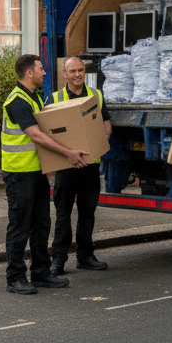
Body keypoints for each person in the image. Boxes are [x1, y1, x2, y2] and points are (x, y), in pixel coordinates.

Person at [1, 53, 89, 294]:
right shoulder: (17, 101)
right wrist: (68, 153)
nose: (43, 72)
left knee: (41, 224)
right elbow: (37, 135)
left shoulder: (33, 97)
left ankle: (41, 272)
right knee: (19, 226)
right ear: (29, 72)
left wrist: (49, 168)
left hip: (36, 172)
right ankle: (15, 277)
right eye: (40, 69)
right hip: (19, 173)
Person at [48, 56, 113, 275]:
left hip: (90, 165)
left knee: (87, 212)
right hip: (66, 166)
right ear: (64, 74)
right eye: (73, 71)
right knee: (63, 214)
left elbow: (106, 124)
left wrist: (100, 141)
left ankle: (85, 256)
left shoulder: (96, 96)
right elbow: (50, 133)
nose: (77, 75)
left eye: (81, 70)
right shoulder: (55, 98)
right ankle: (58, 260)